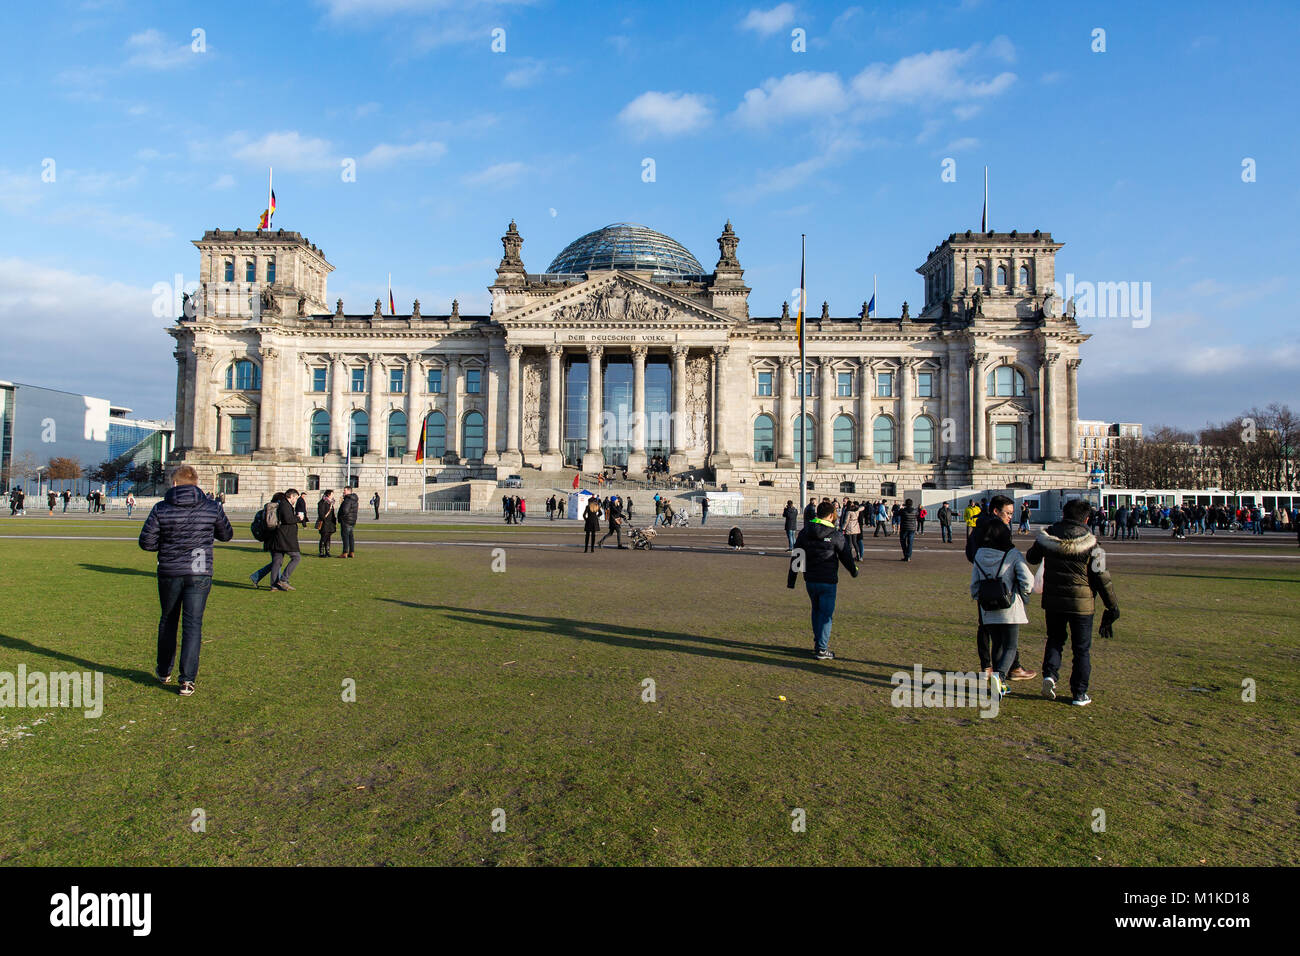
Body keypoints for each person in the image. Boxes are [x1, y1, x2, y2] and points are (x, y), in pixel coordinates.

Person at [137, 464, 233, 697]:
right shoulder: (212, 507)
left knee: (168, 620)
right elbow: (226, 534)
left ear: (175, 483)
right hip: (199, 572)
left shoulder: (161, 508)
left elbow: (146, 542)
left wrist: (168, 546)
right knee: (193, 625)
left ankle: (163, 670)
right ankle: (187, 679)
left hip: (170, 571)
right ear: (196, 483)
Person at [1026, 498, 1121, 707]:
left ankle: (1049, 676)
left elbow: (1031, 558)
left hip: (1053, 600)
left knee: (1055, 640)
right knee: (1081, 650)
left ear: (1063, 515)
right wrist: (1112, 606)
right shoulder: (1093, 544)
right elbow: (1103, 578)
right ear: (1086, 519)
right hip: (1082, 604)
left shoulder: (1048, 536)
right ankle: (1079, 693)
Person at [967, 494, 1037, 681]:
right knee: (1010, 644)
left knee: (997, 642)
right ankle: (1001, 675)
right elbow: (1027, 579)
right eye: (1007, 513)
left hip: (986, 598)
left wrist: (978, 595)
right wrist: (1025, 594)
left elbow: (973, 580)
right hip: (1008, 599)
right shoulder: (1011, 552)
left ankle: (997, 672)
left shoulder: (980, 551)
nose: (1010, 517)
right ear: (996, 511)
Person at [787, 500, 858, 660]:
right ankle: (821, 648)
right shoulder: (835, 535)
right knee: (826, 614)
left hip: (810, 579)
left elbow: (797, 556)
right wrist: (854, 571)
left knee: (816, 610)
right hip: (828, 579)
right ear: (832, 515)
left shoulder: (805, 532)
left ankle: (818, 641)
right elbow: (846, 557)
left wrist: (792, 579)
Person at [251, 490, 302, 590]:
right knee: (289, 558)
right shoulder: (282, 506)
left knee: (277, 561)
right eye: (295, 498)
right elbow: (287, 520)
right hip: (278, 538)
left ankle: (273, 584)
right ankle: (281, 581)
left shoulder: (269, 509)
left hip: (272, 537)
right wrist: (298, 518)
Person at [338, 488, 359, 557]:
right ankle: (351, 552)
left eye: (345, 490)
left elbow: (345, 510)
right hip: (352, 520)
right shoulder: (354, 500)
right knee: (351, 536)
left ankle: (345, 552)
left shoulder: (347, 500)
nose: (343, 492)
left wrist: (341, 516)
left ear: (349, 491)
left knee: (345, 537)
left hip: (346, 520)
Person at [317, 490, 337, 557]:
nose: (333, 496)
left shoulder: (330, 503)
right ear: (328, 495)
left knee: (328, 537)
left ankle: (327, 552)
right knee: (323, 537)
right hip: (325, 523)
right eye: (332, 494)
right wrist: (324, 519)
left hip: (330, 523)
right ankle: (321, 552)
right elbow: (321, 514)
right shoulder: (322, 502)